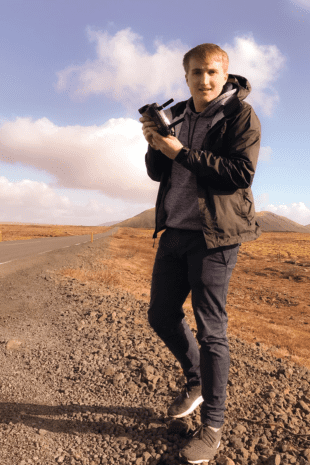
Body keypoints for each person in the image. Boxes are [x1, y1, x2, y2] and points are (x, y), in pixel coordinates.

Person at [139, 43, 261, 464]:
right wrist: (156, 142)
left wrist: (182, 153)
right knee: (160, 314)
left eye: (212, 72)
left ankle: (212, 427)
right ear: (186, 76)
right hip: (174, 231)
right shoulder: (178, 116)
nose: (204, 80)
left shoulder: (239, 116)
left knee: (212, 331)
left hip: (215, 237)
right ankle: (196, 379)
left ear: (225, 75)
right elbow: (159, 172)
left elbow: (239, 173)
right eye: (196, 73)